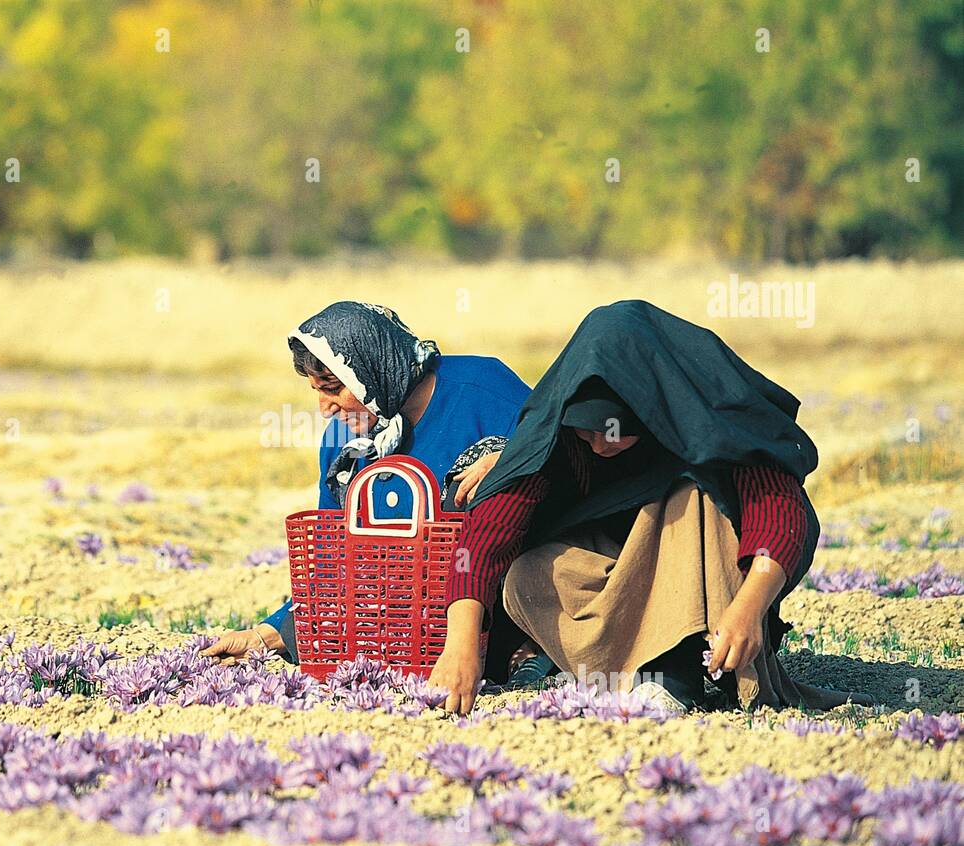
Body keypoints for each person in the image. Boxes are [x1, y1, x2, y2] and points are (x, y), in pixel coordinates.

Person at [429, 299, 875, 716]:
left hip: (701, 579)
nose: (601, 447)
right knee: (527, 573)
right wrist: (461, 644)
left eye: (615, 433)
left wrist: (748, 608)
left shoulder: (705, 414)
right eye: (589, 435)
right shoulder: (561, 431)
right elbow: (488, 536)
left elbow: (780, 512)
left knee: (692, 497)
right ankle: (629, 673)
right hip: (612, 582)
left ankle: (679, 673)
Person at [202, 300, 531, 665]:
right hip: (409, 619)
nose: (325, 408)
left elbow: (561, 458)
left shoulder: (481, 388)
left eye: (333, 388)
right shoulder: (344, 445)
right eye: (317, 391)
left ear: (373, 367)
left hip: (504, 593)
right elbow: (335, 555)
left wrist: (509, 460)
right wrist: (264, 637)